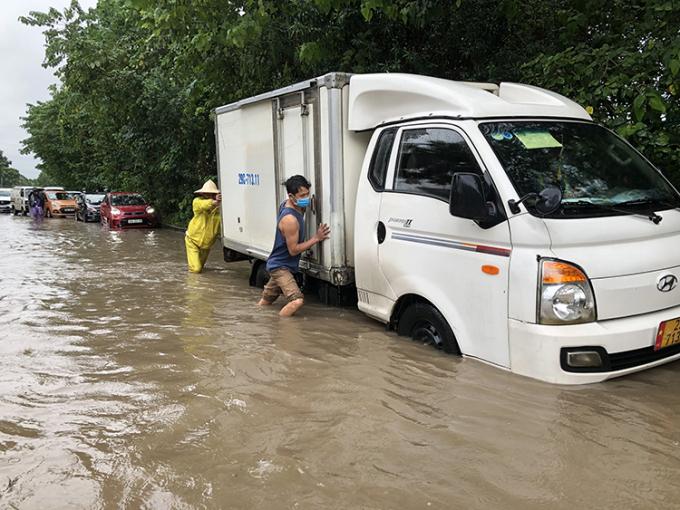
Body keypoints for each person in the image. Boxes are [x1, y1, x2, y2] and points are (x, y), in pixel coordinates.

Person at [258, 175, 330, 317]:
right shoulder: (290, 220)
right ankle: (279, 329)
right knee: (297, 301)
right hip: (281, 268)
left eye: (307, 194)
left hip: (279, 265)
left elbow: (303, 204)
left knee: (264, 304)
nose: (306, 198)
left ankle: (263, 324)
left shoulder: (290, 204)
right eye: (302, 195)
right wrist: (316, 238)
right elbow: (293, 250)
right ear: (291, 196)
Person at [185, 179, 221, 273]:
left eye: (211, 194)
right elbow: (204, 205)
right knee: (196, 269)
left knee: (200, 268)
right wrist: (214, 202)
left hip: (206, 245)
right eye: (206, 193)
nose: (208, 195)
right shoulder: (197, 202)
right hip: (192, 241)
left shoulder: (220, 209)